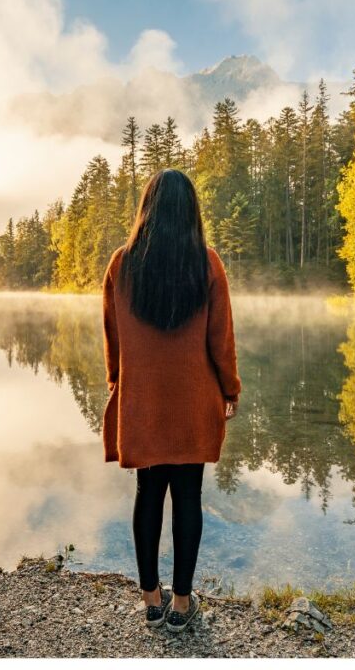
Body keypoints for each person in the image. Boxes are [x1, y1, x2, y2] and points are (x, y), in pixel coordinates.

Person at [101, 168, 241, 633]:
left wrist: (118, 382)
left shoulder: (122, 265)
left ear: (147, 211)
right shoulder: (207, 263)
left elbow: (114, 336)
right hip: (193, 401)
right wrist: (230, 388)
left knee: (147, 495)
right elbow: (220, 339)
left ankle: (150, 600)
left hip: (143, 402)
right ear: (191, 213)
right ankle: (182, 604)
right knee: (188, 497)